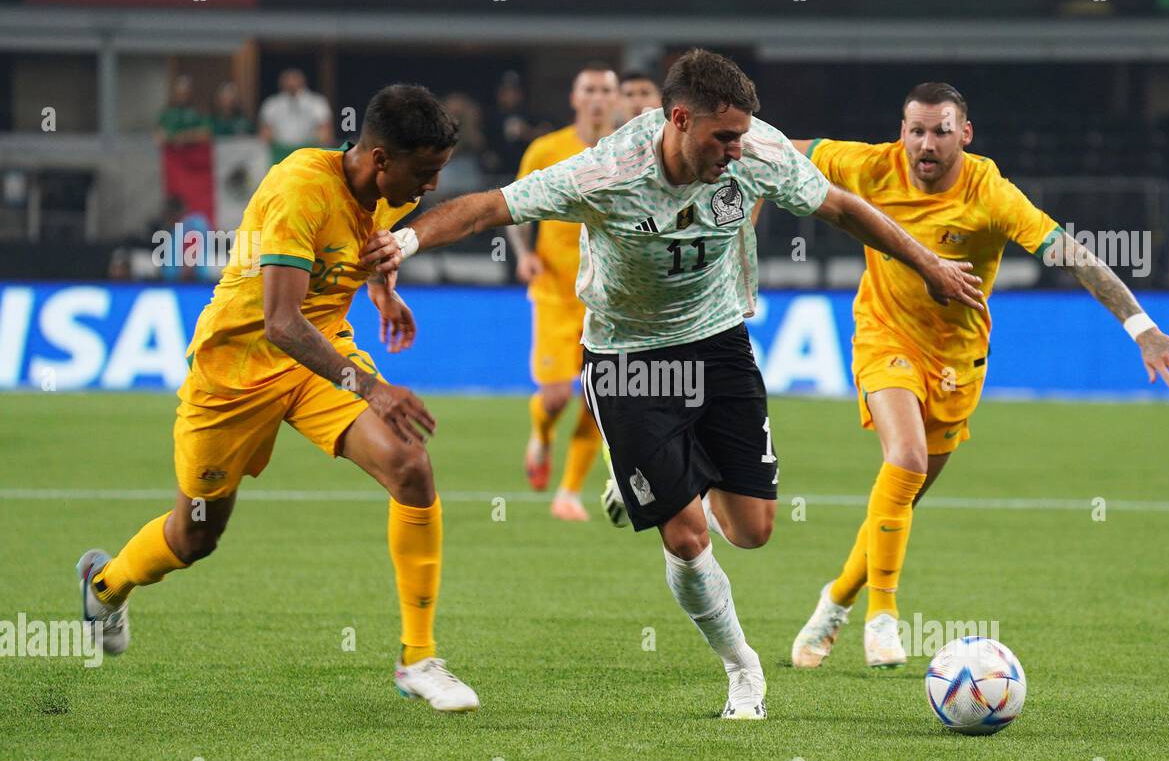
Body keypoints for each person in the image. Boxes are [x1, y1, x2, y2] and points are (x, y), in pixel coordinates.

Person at [361, 49, 981, 720]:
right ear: (679, 120)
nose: (736, 151)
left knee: (754, 529)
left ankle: (652, 480)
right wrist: (403, 245)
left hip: (718, 344)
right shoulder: (607, 171)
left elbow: (842, 208)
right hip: (629, 359)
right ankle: (742, 668)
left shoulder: (757, 150)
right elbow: (487, 208)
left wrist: (928, 265)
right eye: (722, 138)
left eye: (742, 135)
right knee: (687, 537)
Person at [77, 84, 481, 713]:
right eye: (424, 173)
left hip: (318, 363)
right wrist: (373, 388)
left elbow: (353, 253)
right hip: (235, 373)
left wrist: (381, 291)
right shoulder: (301, 189)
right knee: (195, 536)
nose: (429, 187)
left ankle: (418, 658)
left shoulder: (380, 190)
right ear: (379, 158)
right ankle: (105, 584)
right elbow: (282, 324)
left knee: (411, 465)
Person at [787, 83, 1169, 670]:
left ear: (965, 134)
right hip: (884, 336)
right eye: (916, 131)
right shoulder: (869, 166)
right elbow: (776, 146)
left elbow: (1072, 253)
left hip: (957, 360)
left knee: (902, 497)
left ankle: (835, 600)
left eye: (941, 132)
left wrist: (1141, 326)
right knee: (905, 460)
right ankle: (883, 616)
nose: (926, 144)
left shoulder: (990, 193)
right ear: (902, 131)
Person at [507, 63, 620, 521]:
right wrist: (523, 253)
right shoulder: (546, 149)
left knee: (599, 399)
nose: (597, 98)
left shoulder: (627, 151)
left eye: (605, 90)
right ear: (575, 98)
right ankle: (542, 432)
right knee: (556, 397)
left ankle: (569, 493)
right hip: (555, 291)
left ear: (615, 100)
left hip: (610, 299)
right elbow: (511, 206)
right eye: (588, 89)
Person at [259, 68, 333, 164]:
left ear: (302, 81)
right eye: (288, 80)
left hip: (308, 150)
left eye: (294, 79)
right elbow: (265, 131)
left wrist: (319, 144)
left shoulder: (317, 102)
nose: (291, 83)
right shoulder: (272, 103)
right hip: (280, 151)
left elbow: (325, 130)